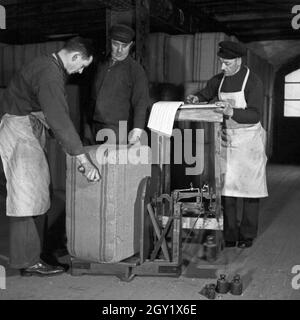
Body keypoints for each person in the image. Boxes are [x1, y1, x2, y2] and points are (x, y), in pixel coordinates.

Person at [0, 37, 101, 276]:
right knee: (26, 195)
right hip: (18, 129)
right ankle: (27, 261)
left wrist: (72, 147)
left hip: (27, 125)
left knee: (39, 190)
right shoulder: (50, 74)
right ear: (75, 56)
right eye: (83, 64)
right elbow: (58, 119)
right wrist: (83, 160)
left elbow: (51, 116)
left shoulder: (49, 67)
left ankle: (36, 254)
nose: (82, 70)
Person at [186, 41, 268, 249]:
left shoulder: (253, 82)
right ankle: (230, 234)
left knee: (250, 191)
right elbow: (206, 93)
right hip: (227, 140)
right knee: (227, 189)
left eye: (227, 63)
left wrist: (231, 111)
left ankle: (247, 234)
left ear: (239, 61)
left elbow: (255, 115)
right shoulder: (219, 80)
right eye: (221, 62)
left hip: (249, 141)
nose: (223, 67)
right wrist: (196, 97)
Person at [86, 24, 150, 145]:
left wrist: (137, 130)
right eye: (116, 44)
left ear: (130, 45)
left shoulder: (136, 70)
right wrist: (86, 125)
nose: (119, 50)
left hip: (118, 130)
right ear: (109, 42)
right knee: (93, 162)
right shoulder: (99, 64)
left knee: (113, 163)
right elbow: (88, 96)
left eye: (124, 46)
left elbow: (141, 102)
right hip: (94, 125)